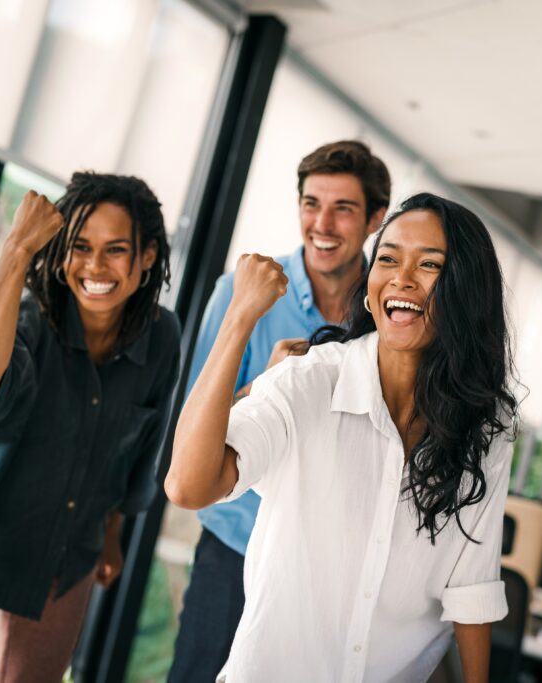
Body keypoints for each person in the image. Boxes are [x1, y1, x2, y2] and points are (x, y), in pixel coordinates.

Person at [166, 192, 518, 682]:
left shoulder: (487, 423)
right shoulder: (309, 381)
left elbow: (470, 586)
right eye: (389, 258)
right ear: (371, 287)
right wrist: (239, 318)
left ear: (465, 289)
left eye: (429, 265)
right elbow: (188, 485)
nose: (402, 278)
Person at [0, 173, 181, 682]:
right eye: (80, 247)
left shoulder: (161, 336)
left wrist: (113, 534)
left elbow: (145, 446)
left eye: (116, 249)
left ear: (148, 257)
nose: (95, 266)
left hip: (67, 560)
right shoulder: (27, 316)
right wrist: (15, 249)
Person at [168, 140, 391, 682]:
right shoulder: (242, 293)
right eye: (312, 203)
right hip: (235, 545)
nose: (323, 223)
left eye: (344, 208)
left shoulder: (386, 313)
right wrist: (264, 389)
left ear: (376, 219)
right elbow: (191, 427)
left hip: (322, 565)